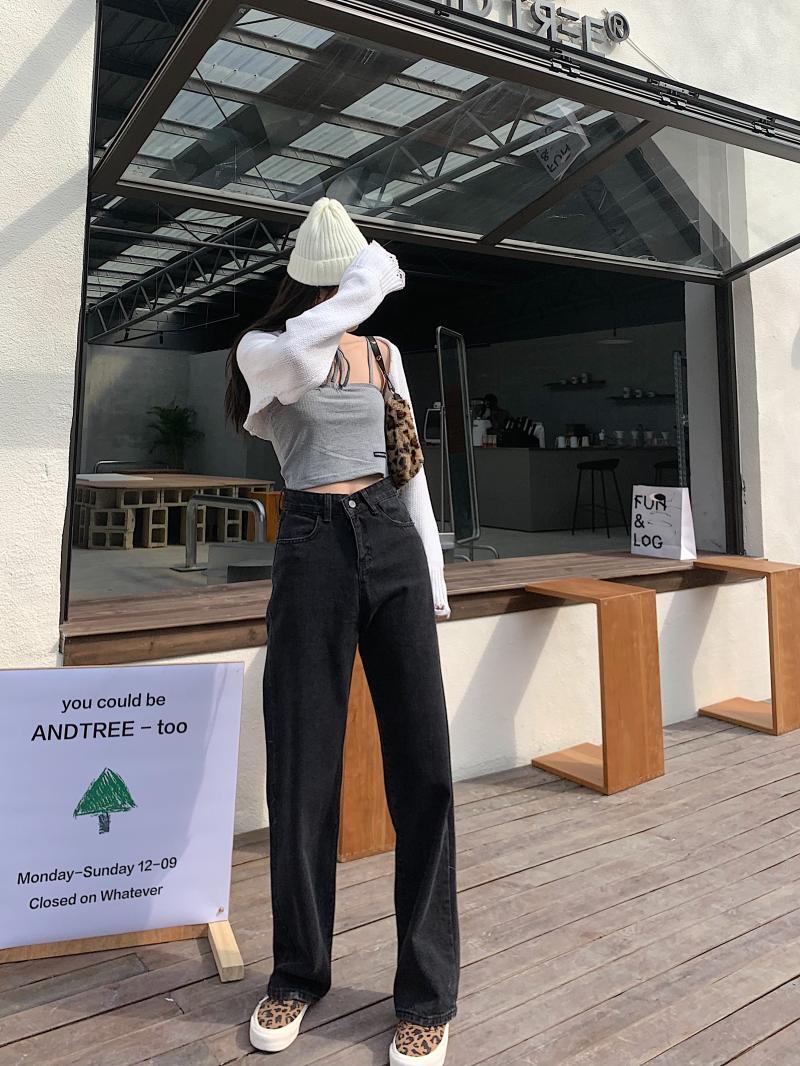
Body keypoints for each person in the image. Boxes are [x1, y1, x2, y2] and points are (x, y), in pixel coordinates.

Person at [225, 197, 460, 1065]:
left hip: (391, 543)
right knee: (303, 771)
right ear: (323, 279)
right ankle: (297, 975)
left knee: (424, 771)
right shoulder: (267, 348)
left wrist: (433, 582)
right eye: (346, 279)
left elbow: (410, 470)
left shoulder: (386, 353)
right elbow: (299, 355)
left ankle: (427, 992)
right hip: (313, 547)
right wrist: (362, 284)